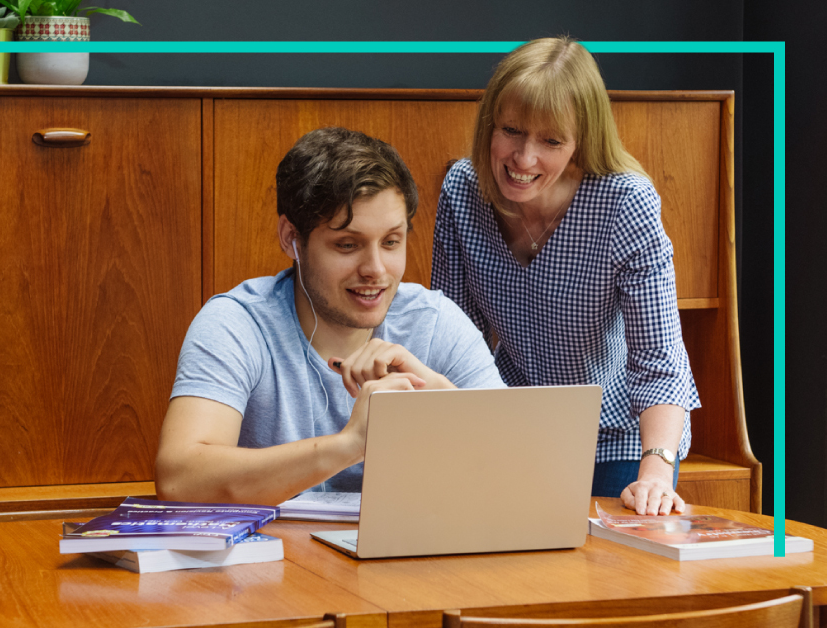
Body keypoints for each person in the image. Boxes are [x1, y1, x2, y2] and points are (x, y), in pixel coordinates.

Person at [155, 127, 504, 506]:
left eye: (391, 242)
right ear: (292, 238)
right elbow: (180, 479)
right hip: (276, 561)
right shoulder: (236, 324)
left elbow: (523, 469)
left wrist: (444, 402)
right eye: (347, 245)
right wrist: (351, 444)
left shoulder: (435, 323)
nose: (375, 270)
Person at [431, 37, 699, 516]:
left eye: (551, 141)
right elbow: (452, 338)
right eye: (511, 130)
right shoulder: (462, 192)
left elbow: (660, 358)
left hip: (620, 438)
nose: (524, 159)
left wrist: (656, 470)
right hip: (508, 430)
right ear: (490, 123)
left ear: (581, 142)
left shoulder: (624, 203)